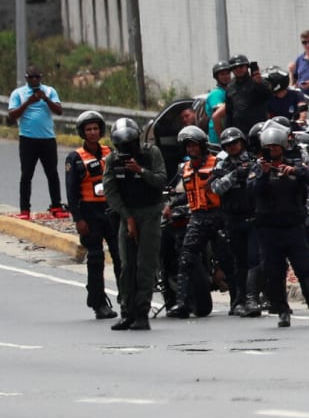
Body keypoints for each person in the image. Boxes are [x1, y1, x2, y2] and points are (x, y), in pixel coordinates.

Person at [249, 123, 309, 328]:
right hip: (269, 229)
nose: (272, 151)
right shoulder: (258, 167)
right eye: (269, 147)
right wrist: (264, 175)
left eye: (276, 147)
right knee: (273, 272)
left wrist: (295, 171)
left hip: (293, 227)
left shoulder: (295, 163)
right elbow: (252, 191)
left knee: (305, 269)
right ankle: (282, 310)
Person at [102, 118, 166, 332]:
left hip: (150, 214)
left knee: (144, 267)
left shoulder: (151, 154)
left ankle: (141, 313)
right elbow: (110, 191)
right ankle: (126, 312)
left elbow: (160, 180)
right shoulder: (112, 160)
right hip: (126, 215)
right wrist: (127, 217)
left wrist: (140, 171)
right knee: (126, 266)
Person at [64, 111, 121, 319]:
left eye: (96, 128)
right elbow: (71, 192)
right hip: (90, 213)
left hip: (112, 211)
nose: (93, 133)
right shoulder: (75, 158)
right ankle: (98, 303)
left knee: (120, 255)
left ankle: (126, 297)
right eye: (88, 129)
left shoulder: (110, 152)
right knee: (96, 257)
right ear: (82, 132)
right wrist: (78, 219)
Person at [169, 125, 227, 320]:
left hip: (218, 216)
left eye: (194, 146)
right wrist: (170, 205)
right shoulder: (183, 168)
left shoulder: (217, 163)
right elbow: (185, 193)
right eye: (188, 147)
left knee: (229, 257)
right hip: (197, 217)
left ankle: (241, 299)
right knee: (185, 259)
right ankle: (182, 303)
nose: (192, 150)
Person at [211, 128, 262, 317]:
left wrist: (249, 174)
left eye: (235, 143)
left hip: (252, 217)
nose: (233, 147)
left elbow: (261, 182)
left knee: (253, 259)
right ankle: (237, 300)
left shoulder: (254, 160)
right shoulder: (222, 163)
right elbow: (215, 188)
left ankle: (252, 299)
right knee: (237, 262)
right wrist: (233, 176)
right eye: (228, 145)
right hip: (232, 219)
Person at [9, 66, 64, 217]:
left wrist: (45, 99)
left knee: (52, 173)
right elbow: (12, 115)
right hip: (28, 139)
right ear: (26, 78)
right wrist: (29, 102)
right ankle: (25, 209)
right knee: (27, 174)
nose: (34, 80)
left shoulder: (49, 91)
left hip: (47, 138)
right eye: (31, 77)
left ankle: (56, 206)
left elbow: (59, 110)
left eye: (37, 77)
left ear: (41, 78)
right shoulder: (18, 93)